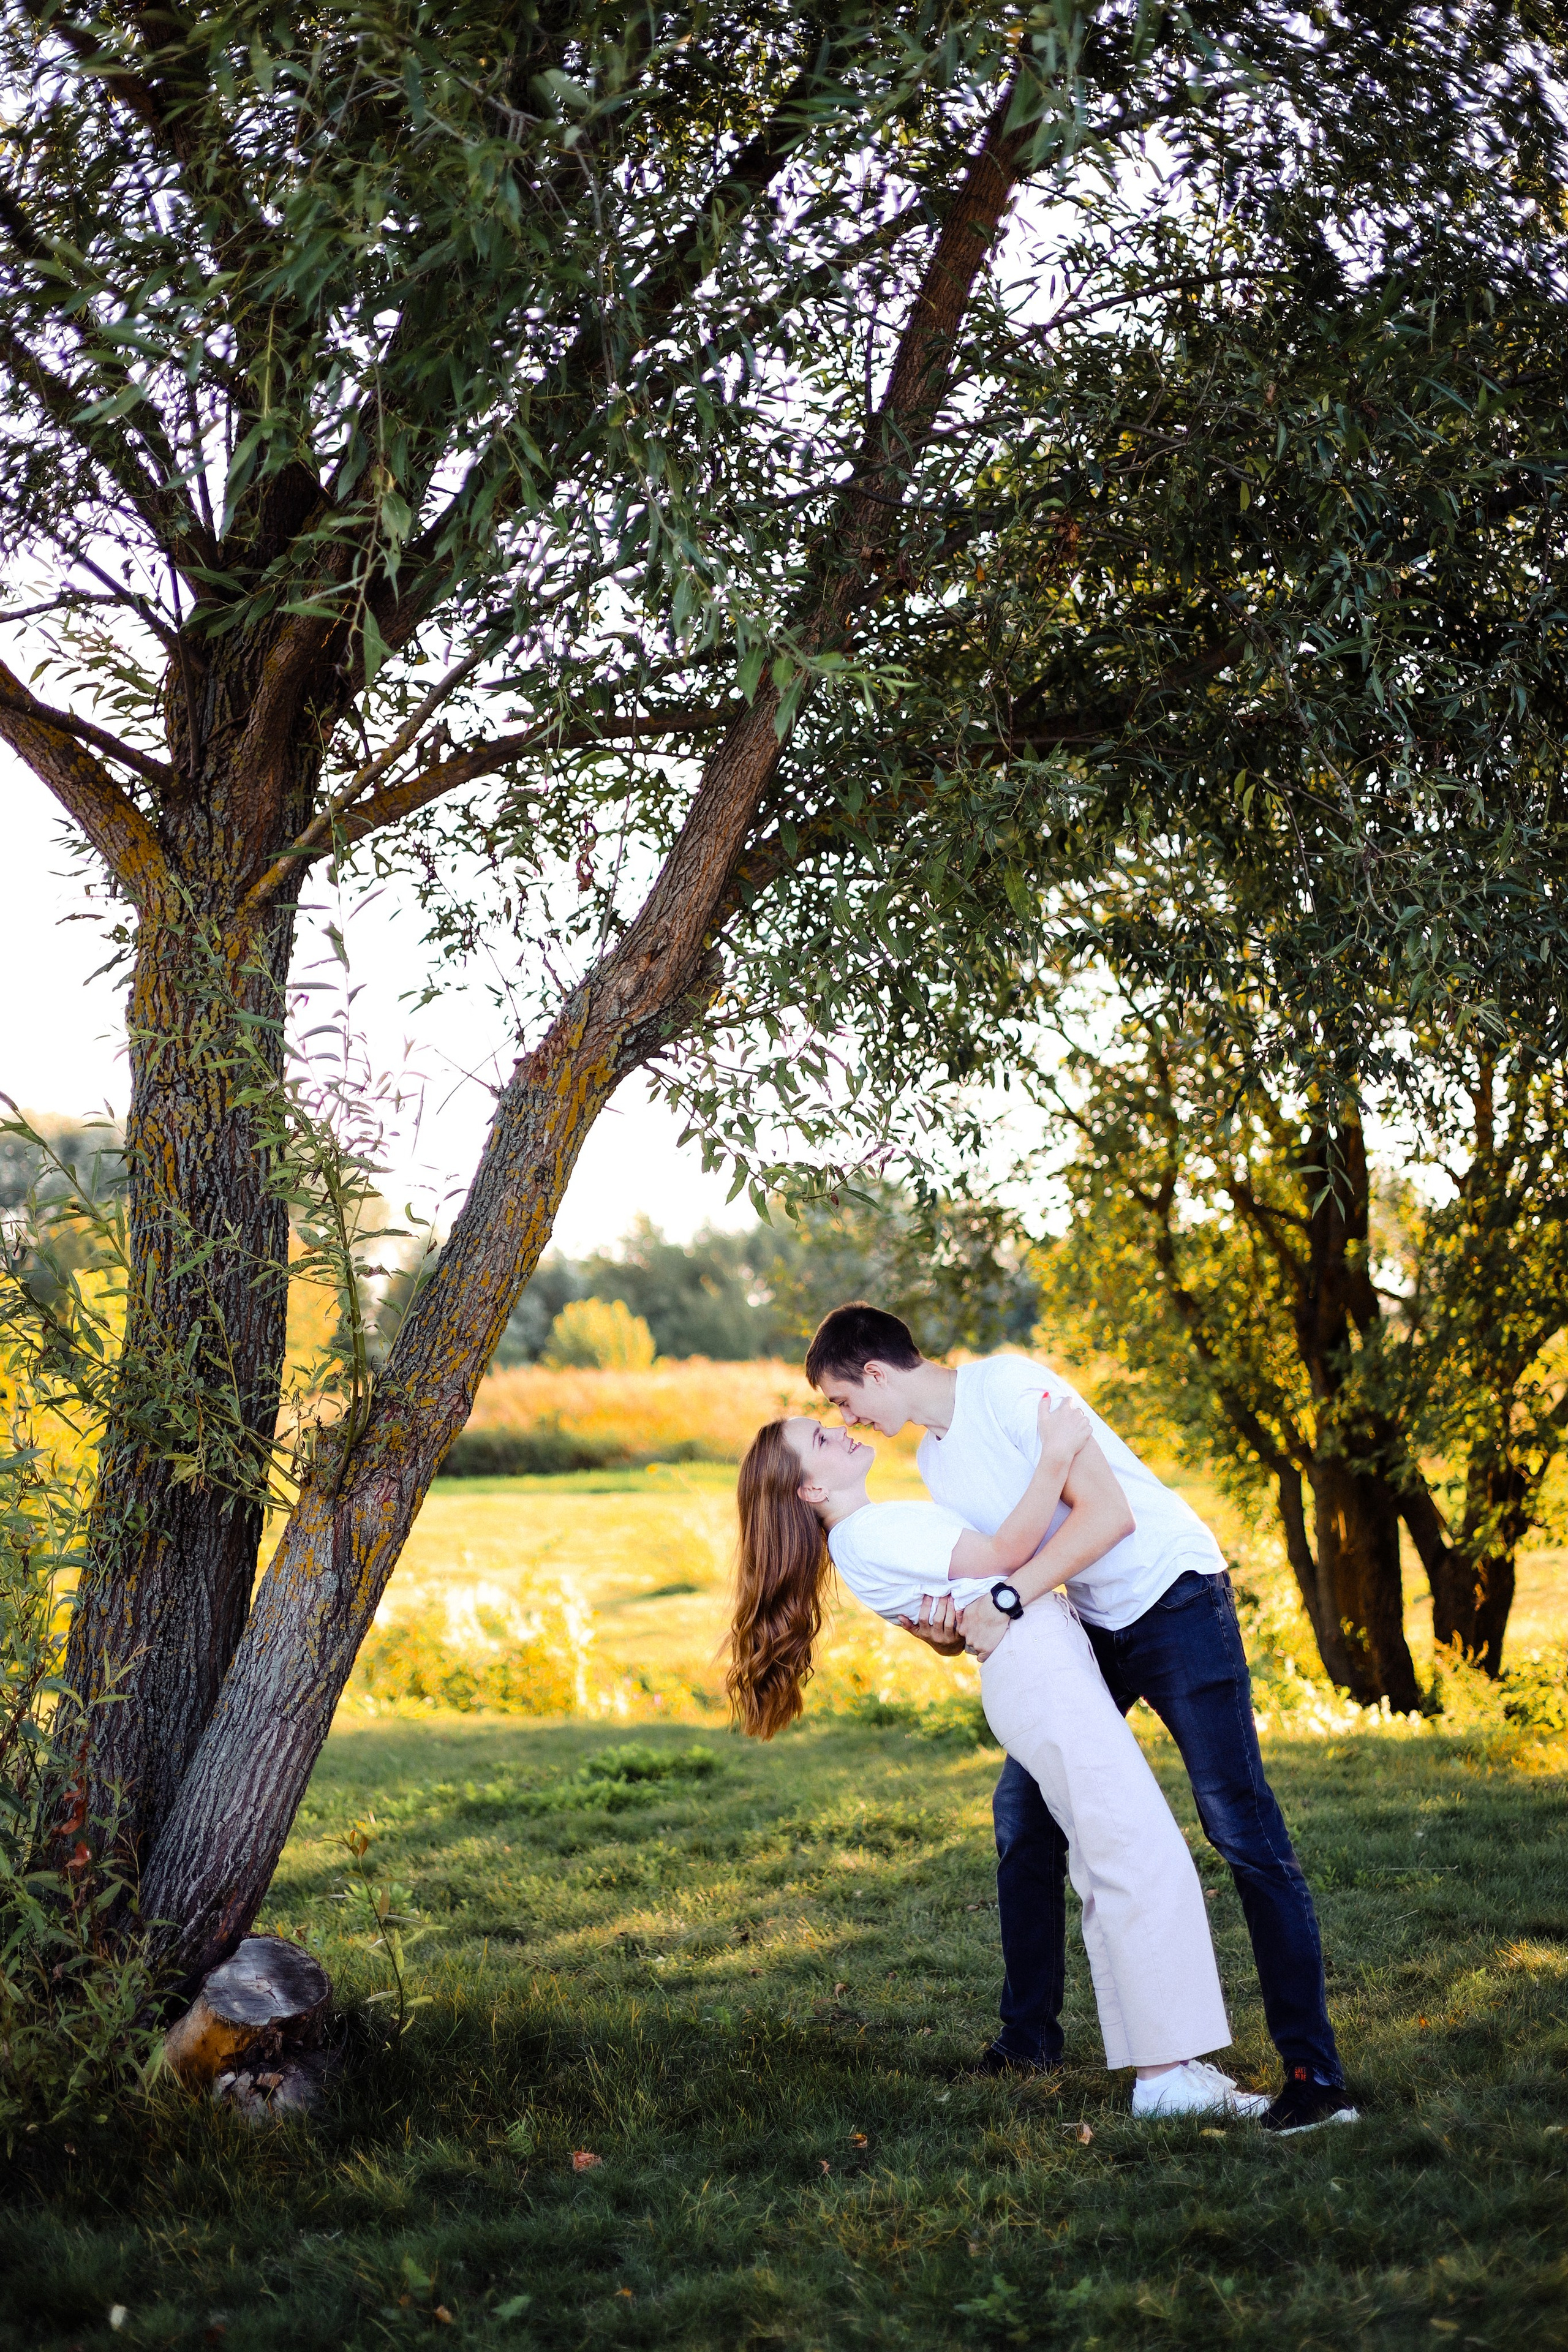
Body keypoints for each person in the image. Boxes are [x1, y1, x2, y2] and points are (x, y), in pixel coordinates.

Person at [804, 1302, 1359, 2138]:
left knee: (1239, 1829)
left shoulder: (1011, 1388)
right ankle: (1028, 2040)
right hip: (1089, 1621)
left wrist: (1002, 1600)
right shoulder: (934, 1462)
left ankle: (1315, 2076)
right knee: (1023, 1823)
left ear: (875, 1373)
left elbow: (1107, 1518)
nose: (845, 1418)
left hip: (1174, 1600)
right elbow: (1000, 1563)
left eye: (842, 1400)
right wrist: (945, 1624)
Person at [728, 1401, 1273, 2120]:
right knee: (1134, 1852)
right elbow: (1008, 1554)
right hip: (1037, 1669)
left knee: (1117, 1855)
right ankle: (1162, 2080)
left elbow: (957, 1615)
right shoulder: (871, 1531)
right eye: (822, 1439)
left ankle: (1169, 2064)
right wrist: (1056, 1450)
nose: (842, 1432)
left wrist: (951, 1628)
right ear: (811, 1489)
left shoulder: (865, 1536)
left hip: (1037, 1665)